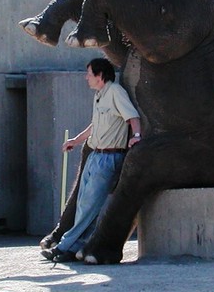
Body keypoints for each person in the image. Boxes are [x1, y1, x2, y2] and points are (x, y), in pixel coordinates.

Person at [42, 57, 141, 263]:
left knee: (89, 206)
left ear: (100, 75)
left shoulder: (115, 92)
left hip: (109, 157)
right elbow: (95, 125)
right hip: (95, 155)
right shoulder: (99, 96)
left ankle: (64, 246)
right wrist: (76, 141)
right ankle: (75, 247)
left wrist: (137, 136)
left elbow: (132, 117)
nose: (86, 77)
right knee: (83, 205)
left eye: (89, 73)